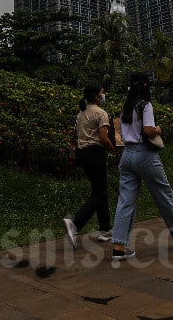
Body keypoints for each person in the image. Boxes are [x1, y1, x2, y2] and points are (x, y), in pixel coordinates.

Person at [110, 72, 173, 260]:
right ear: (145, 86)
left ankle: (119, 246)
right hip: (144, 155)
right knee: (163, 195)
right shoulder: (145, 105)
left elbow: (121, 129)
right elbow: (148, 130)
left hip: (127, 155)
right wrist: (159, 129)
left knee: (125, 200)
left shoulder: (126, 107)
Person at [63, 82, 116, 249]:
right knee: (99, 192)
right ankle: (75, 223)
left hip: (82, 153)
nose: (104, 94)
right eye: (102, 92)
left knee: (100, 189)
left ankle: (105, 228)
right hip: (95, 153)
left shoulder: (82, 113)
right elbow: (103, 137)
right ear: (96, 96)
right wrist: (113, 148)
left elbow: (76, 133)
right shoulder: (101, 114)